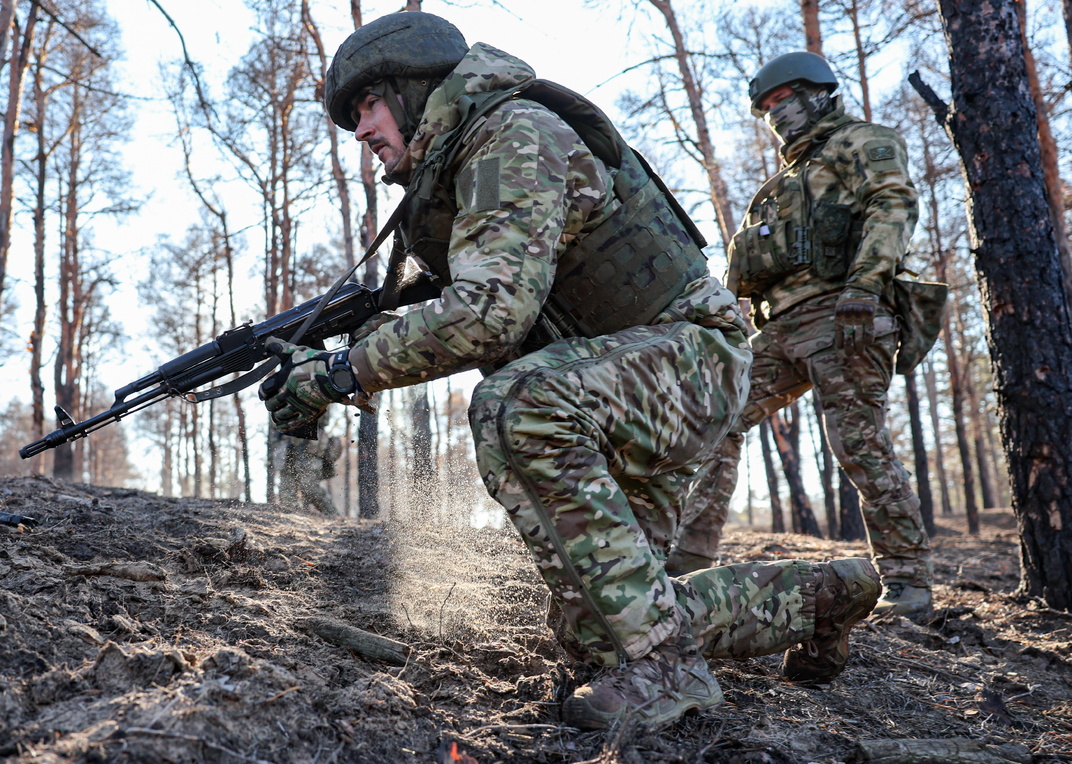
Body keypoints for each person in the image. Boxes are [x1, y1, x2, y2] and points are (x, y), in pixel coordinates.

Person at [259, 13, 882, 730]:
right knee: (605, 631)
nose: (361, 131)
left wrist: (340, 373)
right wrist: (343, 357)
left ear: (410, 89)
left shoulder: (511, 134)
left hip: (689, 360)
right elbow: (490, 314)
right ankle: (830, 595)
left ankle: (670, 669)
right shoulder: (459, 175)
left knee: (514, 405)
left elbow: (488, 314)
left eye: (367, 106)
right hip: (622, 384)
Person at [672, 51, 932, 620]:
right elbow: (743, 270)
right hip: (780, 327)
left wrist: (864, 289)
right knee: (718, 417)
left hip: (845, 315)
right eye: (766, 108)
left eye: (782, 99)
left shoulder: (859, 142)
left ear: (818, 93)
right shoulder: (780, 185)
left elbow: (893, 204)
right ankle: (686, 559)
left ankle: (909, 583)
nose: (776, 114)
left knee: (857, 442)